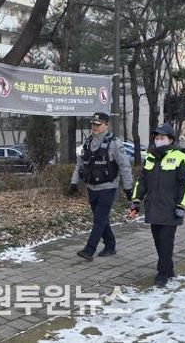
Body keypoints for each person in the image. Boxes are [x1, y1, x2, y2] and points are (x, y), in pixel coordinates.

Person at [129, 123, 185, 287]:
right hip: (153, 207)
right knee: (159, 241)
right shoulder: (150, 158)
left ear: (170, 139)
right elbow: (142, 181)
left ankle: (162, 273)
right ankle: (168, 268)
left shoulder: (180, 158)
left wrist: (181, 205)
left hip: (171, 209)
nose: (159, 140)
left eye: (162, 137)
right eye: (157, 138)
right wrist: (136, 200)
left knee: (166, 242)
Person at [70, 112, 133, 261]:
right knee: (101, 219)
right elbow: (80, 164)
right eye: (93, 124)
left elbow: (124, 166)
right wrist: (74, 182)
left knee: (99, 220)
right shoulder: (88, 142)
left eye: (98, 124)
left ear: (106, 125)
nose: (95, 127)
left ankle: (89, 250)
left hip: (108, 187)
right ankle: (110, 246)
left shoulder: (114, 143)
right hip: (92, 188)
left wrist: (128, 188)